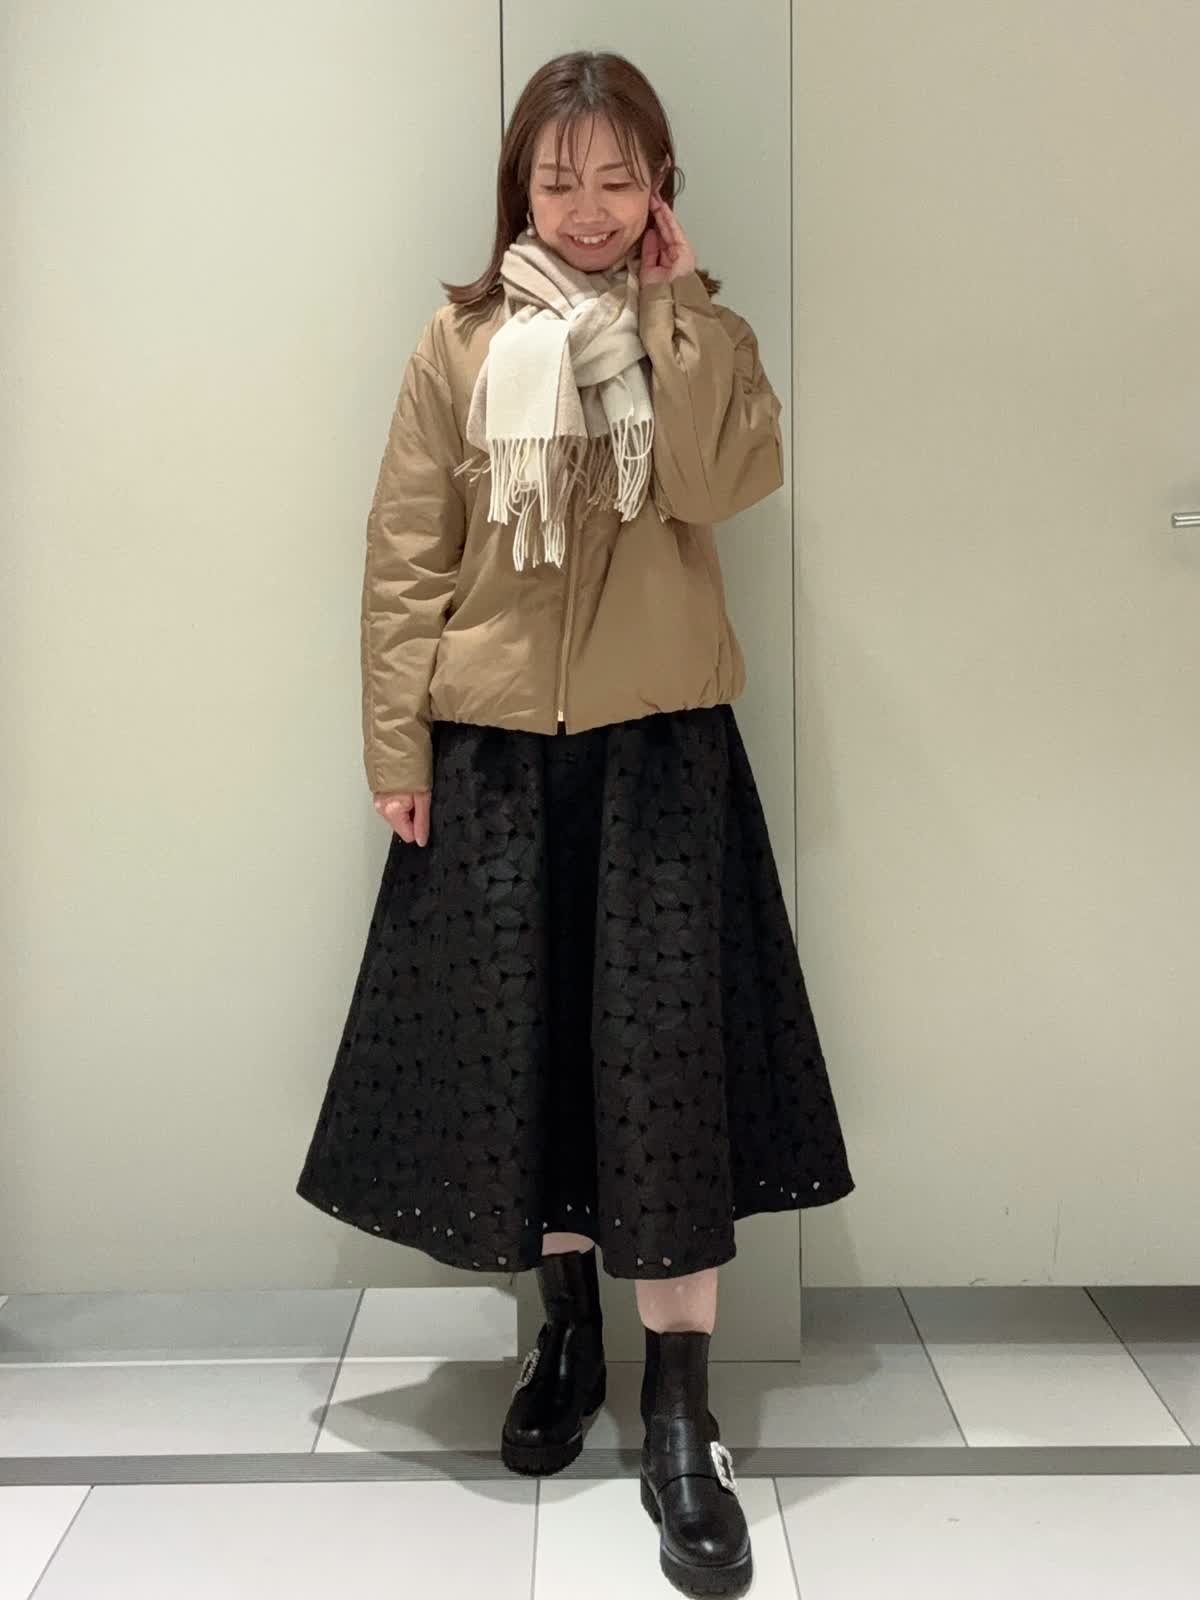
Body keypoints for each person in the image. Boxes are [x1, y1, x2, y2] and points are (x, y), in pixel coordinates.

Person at [296, 48, 855, 1599]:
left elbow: (722, 483)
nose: (590, 207)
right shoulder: (462, 339)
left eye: (619, 178)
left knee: (663, 1082)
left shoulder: (703, 332)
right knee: (531, 1066)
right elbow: (407, 552)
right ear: (519, 187)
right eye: (561, 179)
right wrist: (396, 744)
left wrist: (673, 318)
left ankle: (680, 1413)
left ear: (659, 186)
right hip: (492, 760)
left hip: (662, 755)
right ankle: (563, 1347)